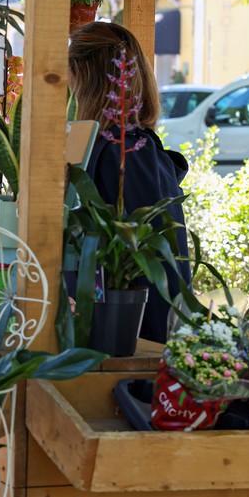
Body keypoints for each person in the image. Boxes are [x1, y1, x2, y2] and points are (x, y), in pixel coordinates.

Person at [68, 21, 192, 343]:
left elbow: (149, 269)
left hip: (134, 339)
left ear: (85, 79)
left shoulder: (124, 154)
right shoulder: (119, 148)